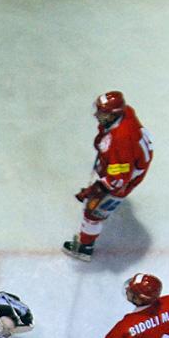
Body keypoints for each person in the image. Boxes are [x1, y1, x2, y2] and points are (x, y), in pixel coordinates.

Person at [62, 91, 154, 261]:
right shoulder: (126, 113)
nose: (97, 115)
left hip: (124, 180)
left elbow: (117, 181)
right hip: (129, 162)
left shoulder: (120, 143)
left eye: (102, 113)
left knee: (93, 212)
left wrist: (92, 191)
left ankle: (84, 247)